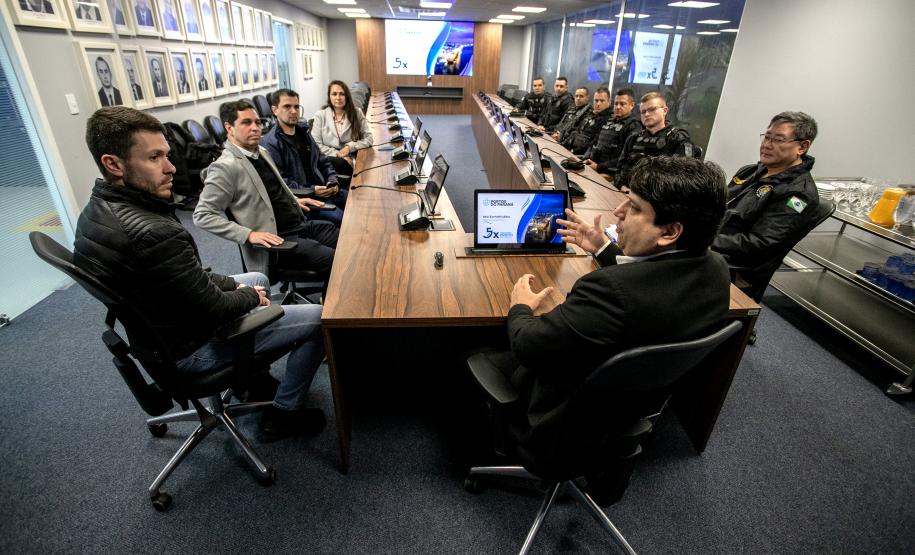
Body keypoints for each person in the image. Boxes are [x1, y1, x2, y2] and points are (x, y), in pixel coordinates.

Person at [74, 106, 327, 438]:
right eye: (154, 158)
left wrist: (248, 291)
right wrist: (249, 298)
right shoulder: (153, 233)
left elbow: (187, 277)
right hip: (189, 349)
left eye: (166, 155)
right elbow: (214, 308)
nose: (171, 168)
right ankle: (282, 415)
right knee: (321, 319)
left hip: (157, 333)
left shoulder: (94, 214)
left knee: (258, 278)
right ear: (113, 164)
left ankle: (254, 381)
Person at [477, 156, 730, 454]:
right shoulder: (717, 268)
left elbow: (528, 348)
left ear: (670, 232)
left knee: (476, 353)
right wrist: (603, 249)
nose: (618, 212)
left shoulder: (608, 293)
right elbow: (653, 286)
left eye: (634, 208)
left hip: (561, 418)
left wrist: (519, 307)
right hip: (633, 405)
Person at [194, 100, 338, 281]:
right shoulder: (225, 167)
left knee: (347, 241)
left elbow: (269, 192)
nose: (255, 128)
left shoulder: (261, 151)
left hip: (299, 226)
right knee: (336, 261)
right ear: (229, 128)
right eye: (246, 123)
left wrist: (295, 200)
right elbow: (202, 215)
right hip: (278, 242)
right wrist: (249, 235)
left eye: (258, 122)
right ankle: (330, 305)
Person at [712, 111, 820, 295]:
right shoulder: (750, 171)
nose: (766, 145)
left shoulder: (799, 196)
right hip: (712, 244)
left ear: (802, 147)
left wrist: (704, 240)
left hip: (735, 267)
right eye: (766, 137)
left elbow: (760, 244)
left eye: (778, 140)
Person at [263, 88, 346, 227]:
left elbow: (323, 161)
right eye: (287, 107)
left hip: (325, 190)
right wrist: (313, 189)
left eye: (296, 106)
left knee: (356, 201)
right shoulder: (271, 144)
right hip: (305, 199)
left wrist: (333, 181)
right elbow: (282, 183)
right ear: (275, 110)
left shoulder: (304, 133)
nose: (294, 111)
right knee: (344, 218)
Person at [615, 91, 695, 187]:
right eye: (643, 112)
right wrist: (622, 187)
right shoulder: (633, 138)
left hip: (658, 198)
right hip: (628, 191)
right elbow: (620, 169)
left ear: (665, 110)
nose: (647, 114)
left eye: (652, 109)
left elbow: (684, 178)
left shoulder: (677, 138)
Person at [310, 80, 373, 179]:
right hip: (329, 160)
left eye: (341, 94)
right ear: (329, 96)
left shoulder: (356, 113)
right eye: (334, 94)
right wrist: (338, 155)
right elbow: (315, 144)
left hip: (353, 159)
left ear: (346, 96)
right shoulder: (320, 115)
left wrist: (349, 147)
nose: (338, 98)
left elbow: (369, 138)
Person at [583, 88, 642, 176]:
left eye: (622, 104)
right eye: (616, 103)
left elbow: (625, 157)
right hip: (592, 165)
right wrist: (586, 158)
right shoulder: (608, 120)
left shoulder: (633, 127)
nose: (618, 107)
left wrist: (598, 167)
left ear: (632, 105)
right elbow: (594, 142)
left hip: (609, 172)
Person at [562, 86, 612, 155]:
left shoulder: (609, 120)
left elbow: (593, 142)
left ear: (609, 101)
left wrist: (573, 151)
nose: (598, 104)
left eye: (602, 101)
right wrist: (563, 145)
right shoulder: (591, 114)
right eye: (596, 100)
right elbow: (577, 131)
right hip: (570, 148)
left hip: (580, 154)